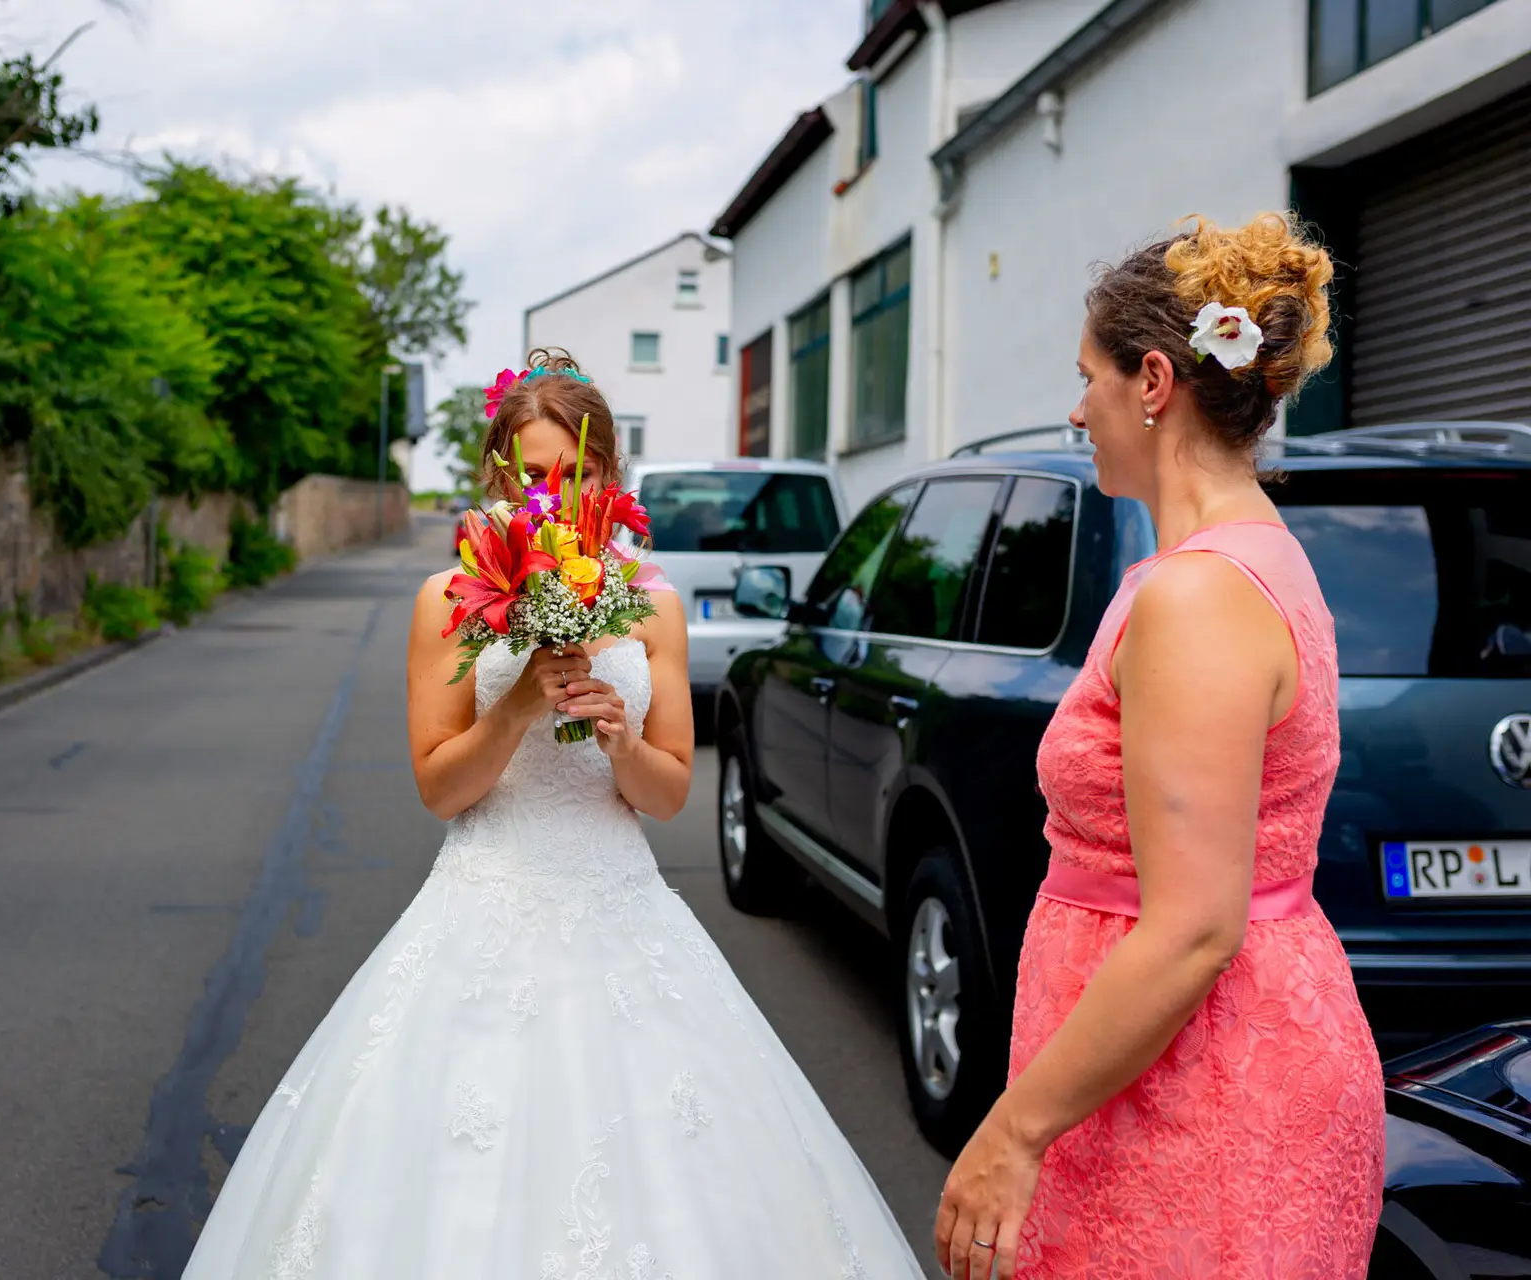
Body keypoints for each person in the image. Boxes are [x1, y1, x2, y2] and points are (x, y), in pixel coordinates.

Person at [184, 350, 926, 1278]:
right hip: (483, 901)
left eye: (575, 473)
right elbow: (440, 788)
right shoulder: (449, 601)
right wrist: (517, 707)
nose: (552, 496)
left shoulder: (652, 606)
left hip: (622, 905)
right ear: (500, 475)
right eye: (532, 475)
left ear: (607, 475)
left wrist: (620, 742)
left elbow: (669, 794)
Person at [933, 213, 1383, 1279]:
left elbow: (1192, 927)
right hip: (1166, 1071)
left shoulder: (1199, 596)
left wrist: (1012, 1133)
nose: (1075, 408)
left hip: (1199, 1087)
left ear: (1151, 381)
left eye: (1086, 377)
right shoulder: (1235, 562)